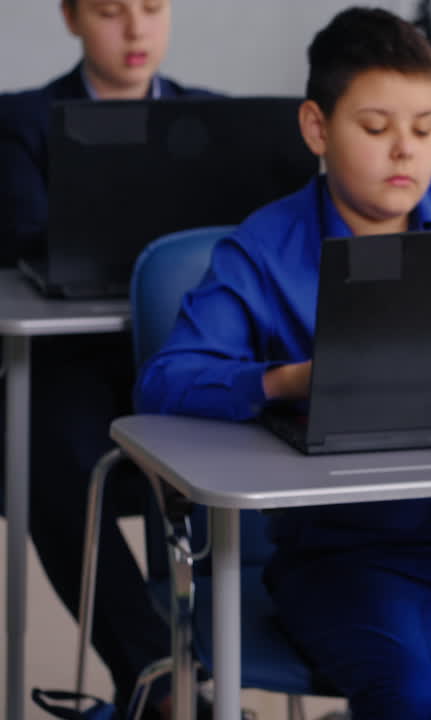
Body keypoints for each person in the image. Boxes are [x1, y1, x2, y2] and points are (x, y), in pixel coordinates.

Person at [135, 7, 431, 719]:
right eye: (376, 127)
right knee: (411, 697)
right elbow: (168, 378)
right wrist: (289, 380)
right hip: (349, 553)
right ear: (316, 128)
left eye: (425, 128)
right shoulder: (263, 248)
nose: (406, 151)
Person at [0, 1, 214, 717]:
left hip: (184, 356)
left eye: (152, 8)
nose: (135, 30)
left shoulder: (218, 121)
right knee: (30, 435)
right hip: (74, 366)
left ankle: (195, 667)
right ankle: (157, 671)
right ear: (71, 18)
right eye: (110, 11)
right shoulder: (23, 121)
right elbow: (25, 236)